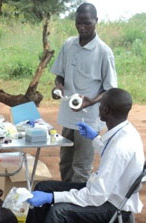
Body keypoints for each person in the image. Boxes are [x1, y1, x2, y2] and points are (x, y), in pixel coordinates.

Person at [26, 88, 145, 223]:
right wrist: (94, 138)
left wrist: (52, 197)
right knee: (43, 187)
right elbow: (110, 154)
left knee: (58, 212)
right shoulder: (126, 131)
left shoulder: (120, 146)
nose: (98, 108)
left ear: (106, 110)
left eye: (100, 105)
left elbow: (96, 196)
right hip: (107, 193)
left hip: (113, 206)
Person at [51, 2, 117, 183]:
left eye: (87, 23)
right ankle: (64, 199)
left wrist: (90, 101)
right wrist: (58, 87)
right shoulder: (68, 45)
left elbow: (110, 89)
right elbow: (60, 76)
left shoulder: (103, 52)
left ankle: (76, 208)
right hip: (68, 117)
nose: (82, 27)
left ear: (96, 21)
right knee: (65, 162)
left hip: (88, 120)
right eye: (78, 23)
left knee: (81, 167)